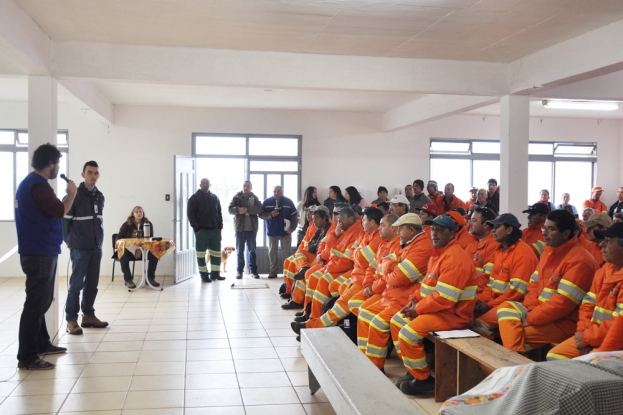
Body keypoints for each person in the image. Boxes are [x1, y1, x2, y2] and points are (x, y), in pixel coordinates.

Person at [392, 214, 478, 395]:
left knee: (407, 334)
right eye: (433, 230)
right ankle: (413, 370)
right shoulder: (438, 254)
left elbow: (445, 298)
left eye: (440, 230)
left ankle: (424, 381)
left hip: (454, 316)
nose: (435, 234)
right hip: (439, 311)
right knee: (396, 321)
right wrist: (412, 301)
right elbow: (426, 288)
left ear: (452, 234)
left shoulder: (455, 258)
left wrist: (418, 309)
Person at [496, 210, 597, 353]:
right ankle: (514, 362)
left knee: (514, 336)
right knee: (505, 309)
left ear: (566, 233)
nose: (544, 233)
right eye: (544, 227)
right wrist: (531, 309)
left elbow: (562, 304)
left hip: (563, 323)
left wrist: (530, 318)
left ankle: (513, 365)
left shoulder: (580, 261)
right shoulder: (548, 252)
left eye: (551, 229)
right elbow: (534, 284)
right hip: (539, 311)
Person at [15, 144, 76, 370]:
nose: (58, 168)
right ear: (50, 164)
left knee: (42, 301)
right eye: (57, 163)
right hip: (39, 252)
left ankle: (41, 343)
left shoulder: (31, 184)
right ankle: (27, 356)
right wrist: (71, 195)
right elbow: (60, 211)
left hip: (40, 250)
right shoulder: (39, 186)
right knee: (35, 304)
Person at [358, 213, 433, 371]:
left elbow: (398, 278)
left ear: (411, 230)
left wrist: (390, 268)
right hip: (393, 295)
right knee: (364, 313)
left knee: (378, 324)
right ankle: (365, 358)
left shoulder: (422, 248)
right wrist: (392, 267)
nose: (398, 232)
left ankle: (377, 367)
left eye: (401, 229)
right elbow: (387, 268)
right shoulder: (408, 244)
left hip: (405, 299)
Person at [291, 207, 384, 332]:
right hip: (351, 272)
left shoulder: (366, 234)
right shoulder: (359, 233)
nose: (338, 220)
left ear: (372, 222)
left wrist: (331, 264)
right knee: (321, 282)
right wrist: (335, 235)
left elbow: (356, 259)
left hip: (355, 275)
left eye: (365, 219)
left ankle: (313, 325)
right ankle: (311, 315)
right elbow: (329, 247)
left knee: (337, 299)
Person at [546, 222, 623, 360]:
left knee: (585, 368)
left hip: (615, 344)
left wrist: (588, 338)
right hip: (591, 334)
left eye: (609, 242)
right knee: (554, 356)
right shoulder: (603, 272)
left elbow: (618, 327)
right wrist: (583, 333)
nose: (601, 245)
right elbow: (587, 305)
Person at [472, 214, 538, 339]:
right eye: (493, 227)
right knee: (470, 314)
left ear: (509, 230)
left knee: (479, 325)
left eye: (497, 227)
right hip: (500, 302)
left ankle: (493, 356)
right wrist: (480, 300)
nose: (493, 230)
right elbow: (491, 285)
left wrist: (490, 305)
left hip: (518, 304)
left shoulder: (523, 253)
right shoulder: (500, 251)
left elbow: (517, 292)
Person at [63, 161, 107, 335]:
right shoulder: (74, 195)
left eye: (96, 173)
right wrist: (70, 242)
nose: (93, 176)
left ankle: (88, 315)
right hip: (79, 247)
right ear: (83, 175)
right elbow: (64, 221)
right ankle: (71, 319)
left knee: (92, 284)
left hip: (96, 247)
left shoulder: (99, 196)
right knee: (76, 284)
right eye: (89, 173)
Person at [188, 178, 224, 282]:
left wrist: (220, 227)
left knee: (216, 254)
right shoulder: (194, 198)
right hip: (201, 231)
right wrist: (197, 228)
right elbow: (191, 215)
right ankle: (204, 276)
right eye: (203, 183)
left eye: (207, 183)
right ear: (200, 185)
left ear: (210, 185)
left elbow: (219, 213)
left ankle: (215, 274)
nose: (205, 184)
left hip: (215, 231)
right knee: (201, 254)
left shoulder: (215, 198)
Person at [116, 206, 159, 288]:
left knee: (155, 253)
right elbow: (118, 238)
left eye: (141, 212)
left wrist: (140, 249)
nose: (139, 213)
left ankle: (150, 278)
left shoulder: (148, 223)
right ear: (133, 214)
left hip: (144, 249)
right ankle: (128, 279)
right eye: (137, 212)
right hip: (129, 249)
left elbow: (150, 239)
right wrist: (126, 245)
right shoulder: (126, 225)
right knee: (122, 254)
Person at [261, 185, 298, 279]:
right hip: (272, 231)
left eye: (278, 191)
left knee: (286, 252)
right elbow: (261, 215)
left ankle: (287, 271)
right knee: (272, 252)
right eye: (275, 191)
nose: (276, 193)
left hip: (285, 232)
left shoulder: (288, 202)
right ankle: (273, 271)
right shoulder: (266, 202)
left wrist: (292, 228)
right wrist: (270, 215)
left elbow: (294, 216)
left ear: (282, 192)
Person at [228, 181, 263, 279]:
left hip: (252, 229)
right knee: (240, 251)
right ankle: (239, 271)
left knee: (252, 250)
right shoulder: (236, 197)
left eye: (248, 186)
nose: (246, 188)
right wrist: (238, 210)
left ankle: (253, 271)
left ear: (251, 188)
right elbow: (230, 209)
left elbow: (259, 209)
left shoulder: (255, 198)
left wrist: (247, 210)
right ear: (242, 187)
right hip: (239, 229)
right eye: (244, 186)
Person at [466, 207, 498, 291]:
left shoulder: (494, 245)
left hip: (478, 294)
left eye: (474, 221)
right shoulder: (472, 241)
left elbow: (487, 278)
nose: (469, 224)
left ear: (486, 225)